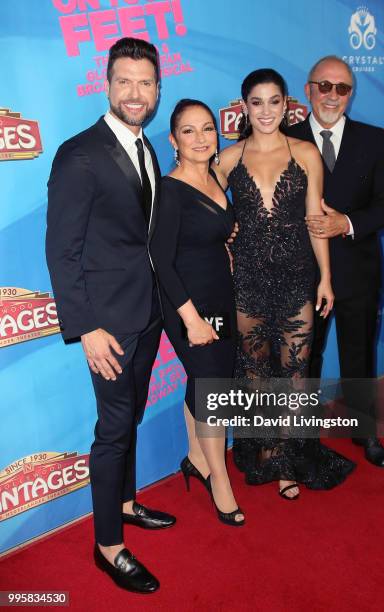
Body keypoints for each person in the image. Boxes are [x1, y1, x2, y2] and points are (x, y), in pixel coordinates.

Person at [46, 37, 176, 594]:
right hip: (107, 324)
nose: (134, 92)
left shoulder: (147, 148)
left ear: (156, 90)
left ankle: (124, 503)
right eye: (124, 81)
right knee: (113, 430)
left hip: (144, 312)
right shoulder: (80, 153)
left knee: (130, 420)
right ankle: (108, 545)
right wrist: (86, 328)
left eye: (145, 83)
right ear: (107, 84)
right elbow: (61, 250)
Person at [213, 68, 356, 499]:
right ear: (243, 107)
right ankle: (270, 452)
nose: (266, 111)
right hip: (249, 281)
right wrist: (228, 235)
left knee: (294, 373)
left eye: (274, 101)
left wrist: (325, 278)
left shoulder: (306, 153)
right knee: (256, 373)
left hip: (297, 277)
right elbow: (212, 216)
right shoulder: (228, 159)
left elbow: (316, 222)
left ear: (287, 104)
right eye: (256, 102)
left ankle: (291, 461)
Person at [286, 55, 384, 467]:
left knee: (359, 355)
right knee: (305, 357)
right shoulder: (285, 137)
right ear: (308, 89)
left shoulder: (371, 139)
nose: (333, 96)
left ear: (350, 94)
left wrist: (347, 223)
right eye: (325, 86)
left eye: (343, 88)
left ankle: (364, 430)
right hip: (302, 274)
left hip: (358, 270)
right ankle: (301, 435)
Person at [151, 99, 244, 526]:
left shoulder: (214, 179)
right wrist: (191, 319)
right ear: (173, 140)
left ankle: (194, 457)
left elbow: (212, 235)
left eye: (208, 128)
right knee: (213, 389)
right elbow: (161, 260)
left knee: (208, 380)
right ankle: (219, 479)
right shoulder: (169, 190)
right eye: (189, 131)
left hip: (221, 295)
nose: (202, 138)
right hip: (189, 303)